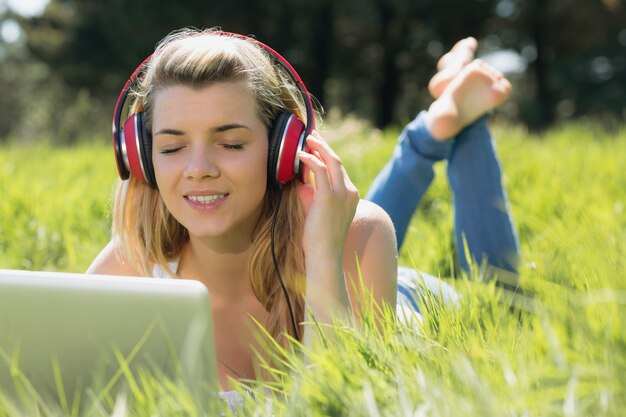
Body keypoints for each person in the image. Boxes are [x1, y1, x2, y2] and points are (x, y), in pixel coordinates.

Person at [88, 30, 519, 394]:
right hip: (344, 252)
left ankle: (462, 115)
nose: (199, 169)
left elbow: (340, 400)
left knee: (503, 297)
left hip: (403, 300)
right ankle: (438, 122)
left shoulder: (354, 238)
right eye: (172, 147)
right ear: (141, 158)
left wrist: (323, 253)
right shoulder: (129, 270)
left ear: (284, 149)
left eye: (232, 143)